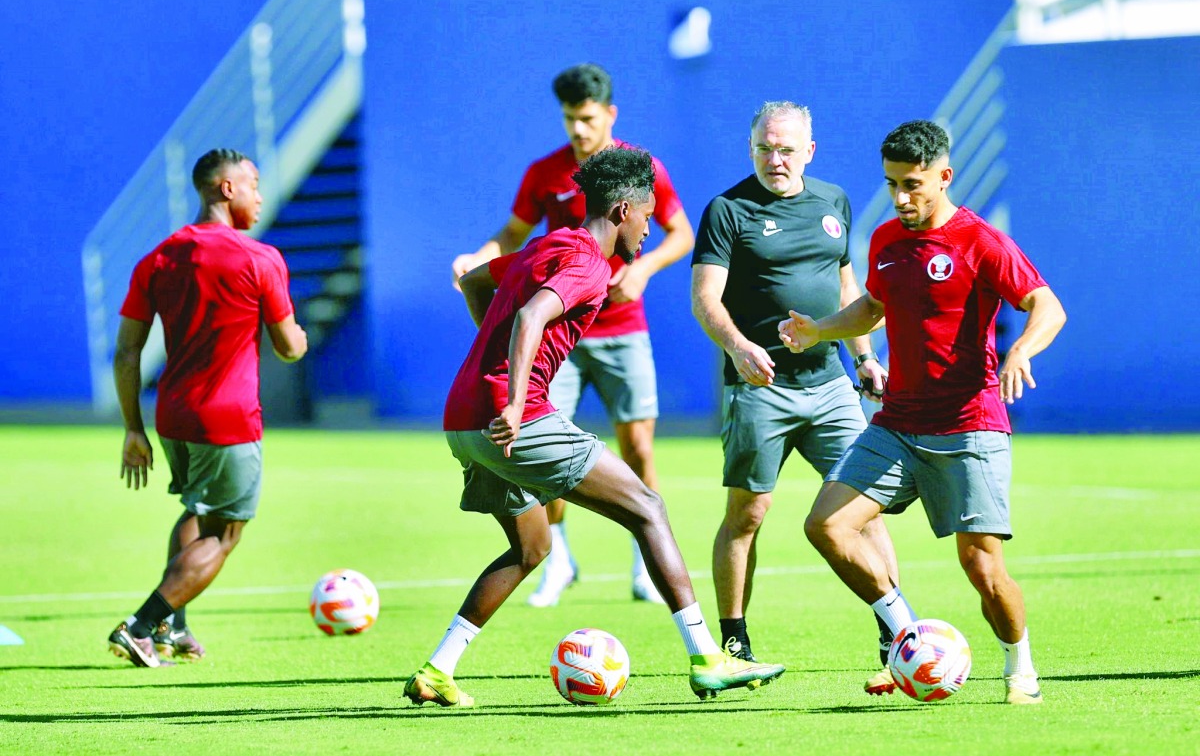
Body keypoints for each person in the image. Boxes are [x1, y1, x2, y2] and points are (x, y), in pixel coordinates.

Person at [404, 147, 784, 707]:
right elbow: (531, 315)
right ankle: (708, 658)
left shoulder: (547, 244)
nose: (649, 229)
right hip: (513, 418)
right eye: (647, 216)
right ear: (623, 211)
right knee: (647, 507)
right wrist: (513, 397)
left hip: (463, 419)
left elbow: (476, 282)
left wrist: (494, 363)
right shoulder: (589, 263)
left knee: (531, 547)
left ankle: (437, 670)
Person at [779, 120, 1066, 704]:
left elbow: (1047, 306)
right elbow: (871, 308)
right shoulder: (886, 240)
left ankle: (1021, 668)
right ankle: (906, 633)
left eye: (912, 184)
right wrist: (819, 330)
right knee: (827, 526)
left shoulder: (979, 241)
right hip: (897, 423)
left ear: (944, 176)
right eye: (891, 184)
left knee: (982, 568)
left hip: (969, 425)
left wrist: (1020, 350)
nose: (901, 198)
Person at [451, 63, 695, 607]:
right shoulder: (546, 172)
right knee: (539, 444)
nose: (578, 130)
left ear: (610, 113)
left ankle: (643, 566)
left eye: (587, 118)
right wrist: (479, 258)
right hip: (554, 334)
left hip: (623, 329)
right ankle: (557, 559)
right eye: (569, 119)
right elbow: (512, 235)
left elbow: (681, 234)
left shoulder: (640, 170)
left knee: (638, 447)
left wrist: (642, 269)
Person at [691, 101, 900, 691]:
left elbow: (845, 283)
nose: (775, 159)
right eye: (764, 148)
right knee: (747, 514)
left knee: (863, 508)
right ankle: (734, 642)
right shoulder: (728, 210)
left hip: (830, 384)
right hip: (760, 388)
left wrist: (864, 357)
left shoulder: (833, 200)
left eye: (786, 149)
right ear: (750, 147)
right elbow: (706, 298)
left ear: (809, 150)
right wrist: (737, 346)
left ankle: (897, 633)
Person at [108, 148, 308, 667]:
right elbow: (289, 348)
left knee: (196, 511)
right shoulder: (259, 258)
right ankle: (141, 626)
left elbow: (127, 352)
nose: (259, 195)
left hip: (172, 416)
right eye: (253, 184)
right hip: (228, 420)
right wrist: (301, 337)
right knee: (224, 533)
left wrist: (133, 430)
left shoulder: (158, 258)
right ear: (227, 188)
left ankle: (173, 626)